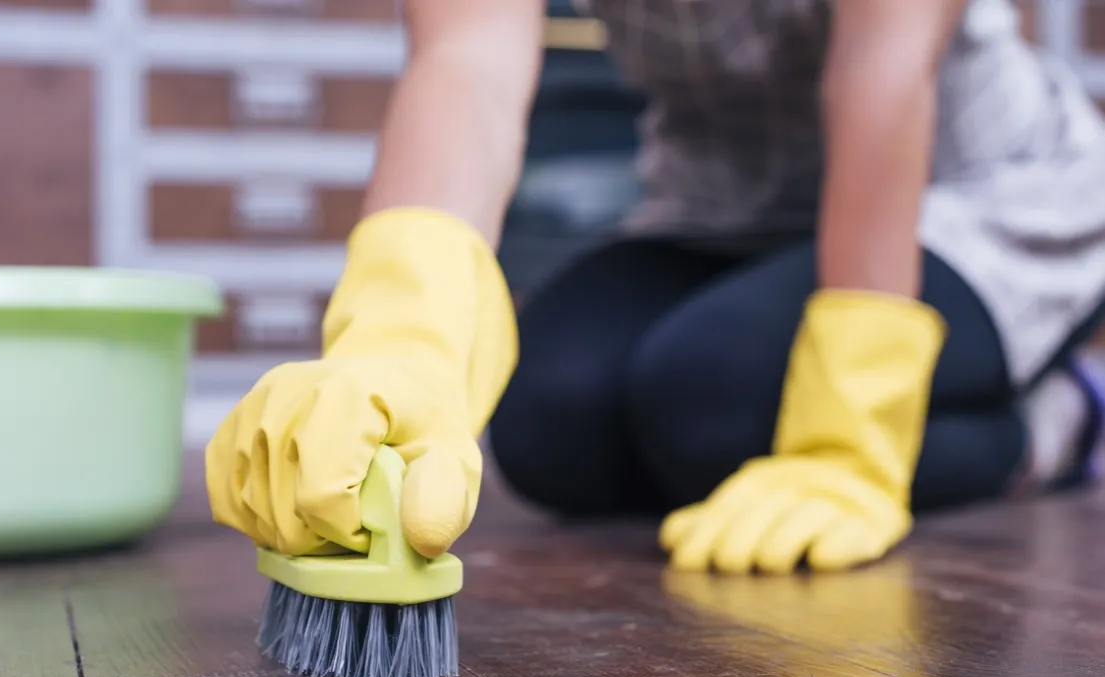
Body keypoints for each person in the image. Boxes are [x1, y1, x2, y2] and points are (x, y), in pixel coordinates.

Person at [205, 0, 1105, 575]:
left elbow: (878, 75)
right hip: (722, 206)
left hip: (965, 194)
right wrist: (398, 336)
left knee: (708, 403)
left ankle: (1052, 420)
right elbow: (469, 61)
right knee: (548, 423)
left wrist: (849, 433)